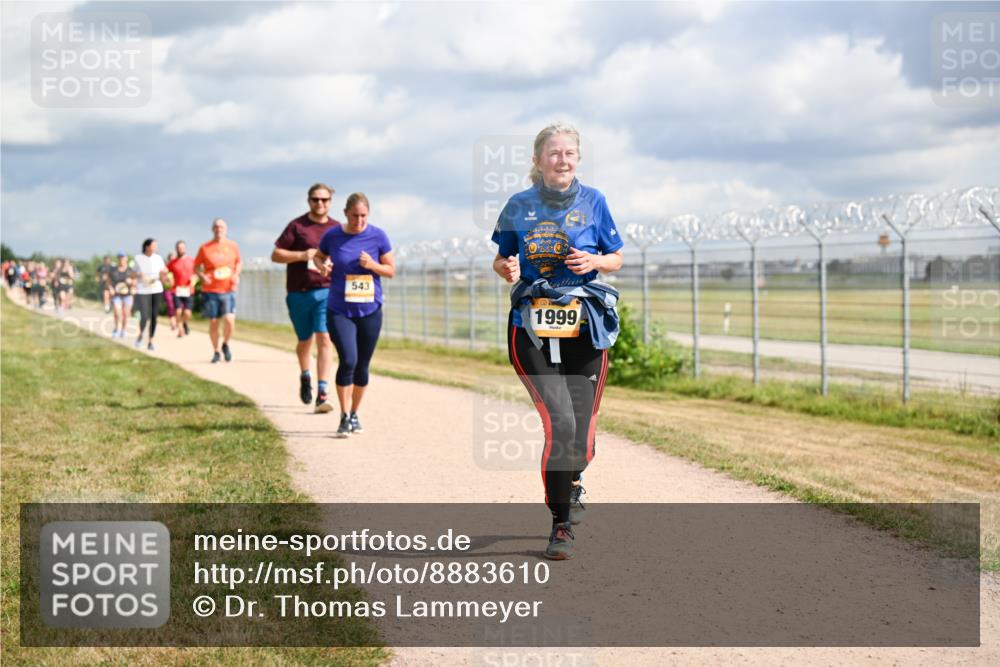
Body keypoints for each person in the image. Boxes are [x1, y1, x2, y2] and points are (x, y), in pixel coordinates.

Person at [491, 122, 624, 560]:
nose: (561, 159)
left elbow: (617, 258)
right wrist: (507, 270)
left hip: (585, 326)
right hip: (530, 325)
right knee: (561, 425)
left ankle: (573, 475)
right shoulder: (518, 205)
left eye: (569, 153)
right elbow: (501, 258)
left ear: (578, 159)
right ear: (537, 159)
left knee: (580, 437)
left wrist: (596, 260)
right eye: (553, 153)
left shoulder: (595, 201)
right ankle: (561, 523)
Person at [313, 193, 394, 437]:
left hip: (370, 309)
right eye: (355, 216)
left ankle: (355, 413)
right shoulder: (333, 235)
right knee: (348, 359)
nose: (359, 221)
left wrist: (372, 265)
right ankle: (344, 416)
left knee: (362, 365)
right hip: (340, 309)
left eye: (363, 216)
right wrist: (321, 264)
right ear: (346, 213)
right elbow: (319, 256)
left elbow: (390, 270)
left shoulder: (378, 236)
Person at [272, 183, 339, 413]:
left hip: (327, 291)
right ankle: (305, 374)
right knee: (305, 341)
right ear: (308, 200)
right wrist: (303, 255)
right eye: (315, 199)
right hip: (299, 293)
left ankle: (322, 392)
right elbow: (276, 254)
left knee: (324, 338)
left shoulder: (337, 229)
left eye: (324, 199)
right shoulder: (297, 226)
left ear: (331, 201)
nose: (320, 203)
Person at [194, 218, 241, 363]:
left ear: (225, 229)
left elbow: (239, 262)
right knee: (214, 322)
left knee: (229, 319)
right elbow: (196, 266)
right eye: (216, 227)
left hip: (228, 289)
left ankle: (225, 344)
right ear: (212, 229)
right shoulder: (205, 247)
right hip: (210, 290)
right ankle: (216, 351)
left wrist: (235, 274)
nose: (218, 229)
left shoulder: (233, 246)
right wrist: (202, 276)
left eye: (221, 227)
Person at [133, 238, 168, 351]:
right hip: (143, 291)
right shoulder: (138, 258)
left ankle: (151, 340)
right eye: (154, 245)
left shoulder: (158, 258)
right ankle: (141, 334)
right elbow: (132, 274)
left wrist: (165, 275)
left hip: (156, 290)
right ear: (147, 247)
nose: (156, 248)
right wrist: (139, 275)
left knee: (153, 316)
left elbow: (163, 272)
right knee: (144, 316)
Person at [167, 241, 196, 337]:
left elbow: (197, 273)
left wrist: (195, 279)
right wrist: (167, 279)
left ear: (185, 248)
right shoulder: (172, 263)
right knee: (178, 311)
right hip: (177, 290)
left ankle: (185, 323)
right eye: (179, 248)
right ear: (176, 249)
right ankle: (180, 330)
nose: (180, 249)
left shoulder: (192, 260)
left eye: (182, 247)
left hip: (189, 290)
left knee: (187, 312)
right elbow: (165, 272)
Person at [107, 252, 135, 338]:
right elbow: (108, 281)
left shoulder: (131, 270)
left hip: (128, 294)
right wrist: (110, 288)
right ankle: (116, 329)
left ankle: (123, 330)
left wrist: (131, 282)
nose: (121, 260)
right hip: (117, 294)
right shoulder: (113, 270)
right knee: (117, 312)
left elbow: (136, 281)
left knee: (126, 314)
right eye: (119, 258)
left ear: (126, 259)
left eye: (123, 258)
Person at [163, 250, 178, 331]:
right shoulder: (166, 269)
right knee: (170, 306)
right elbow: (162, 278)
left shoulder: (178, 267)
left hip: (177, 290)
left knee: (178, 307)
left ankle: (178, 322)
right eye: (171, 258)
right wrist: (166, 279)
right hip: (168, 290)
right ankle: (173, 323)